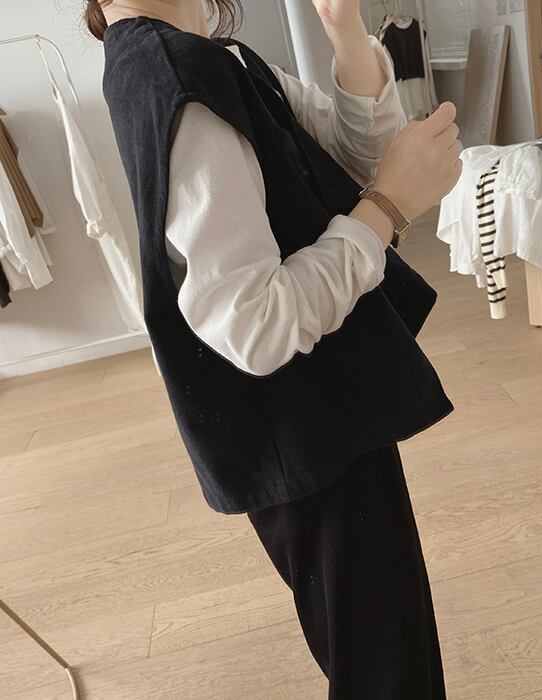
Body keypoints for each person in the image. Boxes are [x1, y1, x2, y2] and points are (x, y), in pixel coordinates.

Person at [87, 0, 461, 696]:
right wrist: (387, 208)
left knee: (379, 647)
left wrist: (343, 28)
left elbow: (354, 154)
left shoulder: (198, 57)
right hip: (303, 429)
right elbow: (254, 325)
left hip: (317, 413)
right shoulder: (179, 73)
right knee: (384, 666)